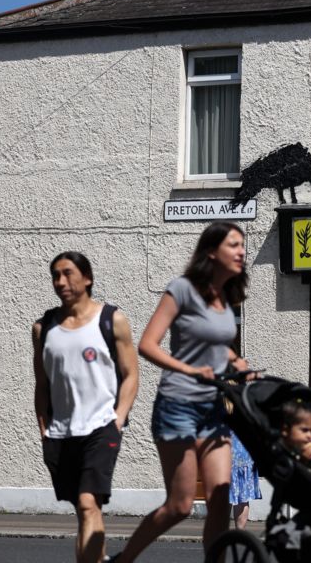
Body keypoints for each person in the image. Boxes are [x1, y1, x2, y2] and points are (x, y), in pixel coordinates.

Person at [116, 221, 250, 563]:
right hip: (177, 405)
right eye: (233, 245)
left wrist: (239, 362)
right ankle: (125, 558)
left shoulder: (226, 298)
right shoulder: (182, 289)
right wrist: (190, 370)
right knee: (180, 505)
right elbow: (148, 344)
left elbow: (220, 347)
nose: (241, 251)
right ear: (211, 251)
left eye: (242, 245)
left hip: (213, 408)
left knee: (221, 495)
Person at [33, 252, 139, 563]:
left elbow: (131, 375)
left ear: (88, 278)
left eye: (68, 273)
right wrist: (44, 430)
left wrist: (117, 420)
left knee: (88, 502)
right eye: (56, 275)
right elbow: (41, 384)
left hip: (101, 427)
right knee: (83, 512)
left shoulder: (111, 319)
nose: (60, 281)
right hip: (61, 433)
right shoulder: (44, 328)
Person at [229, 433, 261, 529]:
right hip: (244, 447)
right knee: (242, 496)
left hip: (226, 445)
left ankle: (221, 535)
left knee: (224, 494)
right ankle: (239, 536)